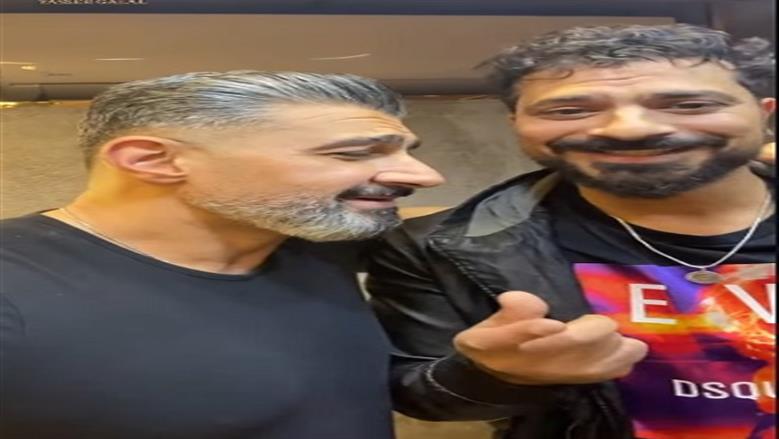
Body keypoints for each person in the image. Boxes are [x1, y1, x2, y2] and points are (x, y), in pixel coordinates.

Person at [366, 24, 776, 439]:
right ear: (516, 123)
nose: (629, 129)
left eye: (688, 104)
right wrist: (493, 375)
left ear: (765, 114)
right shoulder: (432, 245)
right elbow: (418, 392)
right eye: (568, 111)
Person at [0, 71, 444, 439]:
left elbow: (462, 224)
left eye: (407, 152)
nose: (425, 176)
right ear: (153, 160)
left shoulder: (315, 239)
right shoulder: (14, 286)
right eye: (353, 154)